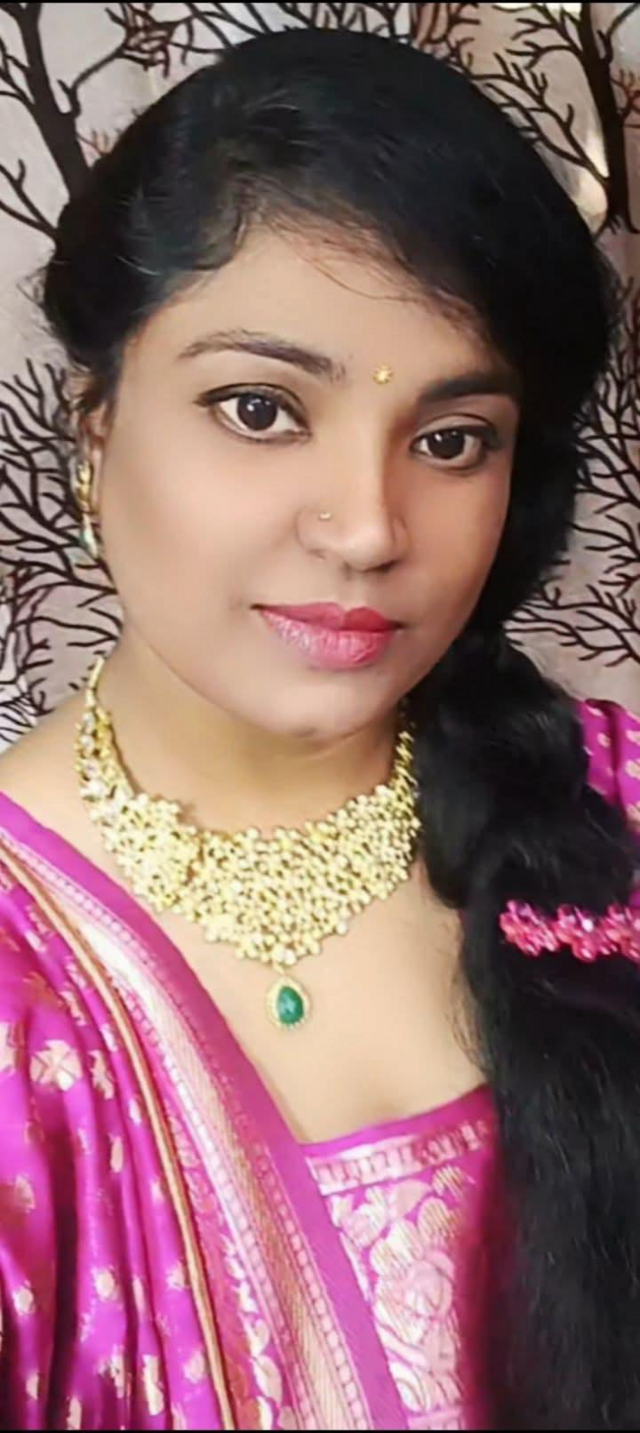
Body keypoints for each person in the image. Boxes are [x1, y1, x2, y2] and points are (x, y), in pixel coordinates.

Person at [0, 25, 638, 1432]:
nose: (366, 528)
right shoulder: (20, 993)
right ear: (94, 425)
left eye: (452, 439)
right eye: (259, 409)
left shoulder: (616, 808)